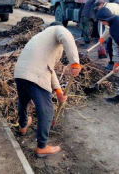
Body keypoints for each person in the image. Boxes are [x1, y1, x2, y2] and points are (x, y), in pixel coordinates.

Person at [14, 22, 82, 157]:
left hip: (20, 73)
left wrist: (58, 92)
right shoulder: (58, 29)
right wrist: (74, 62)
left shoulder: (40, 39)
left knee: (24, 100)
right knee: (46, 110)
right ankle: (42, 146)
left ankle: (22, 126)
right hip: (35, 74)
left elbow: (49, 69)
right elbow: (65, 35)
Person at [95, 0, 119, 70]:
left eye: (98, 8)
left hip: (117, 26)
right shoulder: (114, 4)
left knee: (110, 45)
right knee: (115, 45)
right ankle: (118, 61)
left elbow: (107, 28)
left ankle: (113, 63)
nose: (98, 10)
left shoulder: (106, 10)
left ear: (101, 5)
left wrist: (102, 38)